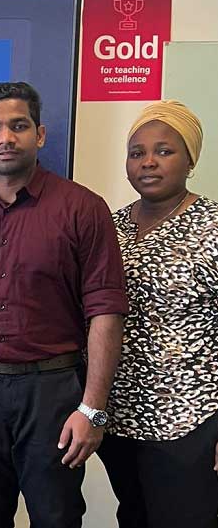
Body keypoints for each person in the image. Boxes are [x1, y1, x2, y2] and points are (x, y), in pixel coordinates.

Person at [0, 81, 128, 528]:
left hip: (52, 389)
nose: (5, 138)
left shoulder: (83, 209)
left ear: (41, 135)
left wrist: (92, 408)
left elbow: (105, 311)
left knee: (58, 516)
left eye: (18, 126)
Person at [97, 100, 218, 528]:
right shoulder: (111, 227)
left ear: (190, 159)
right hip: (119, 418)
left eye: (164, 151)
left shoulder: (212, 226)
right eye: (137, 152)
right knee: (133, 517)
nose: (148, 162)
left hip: (193, 420)